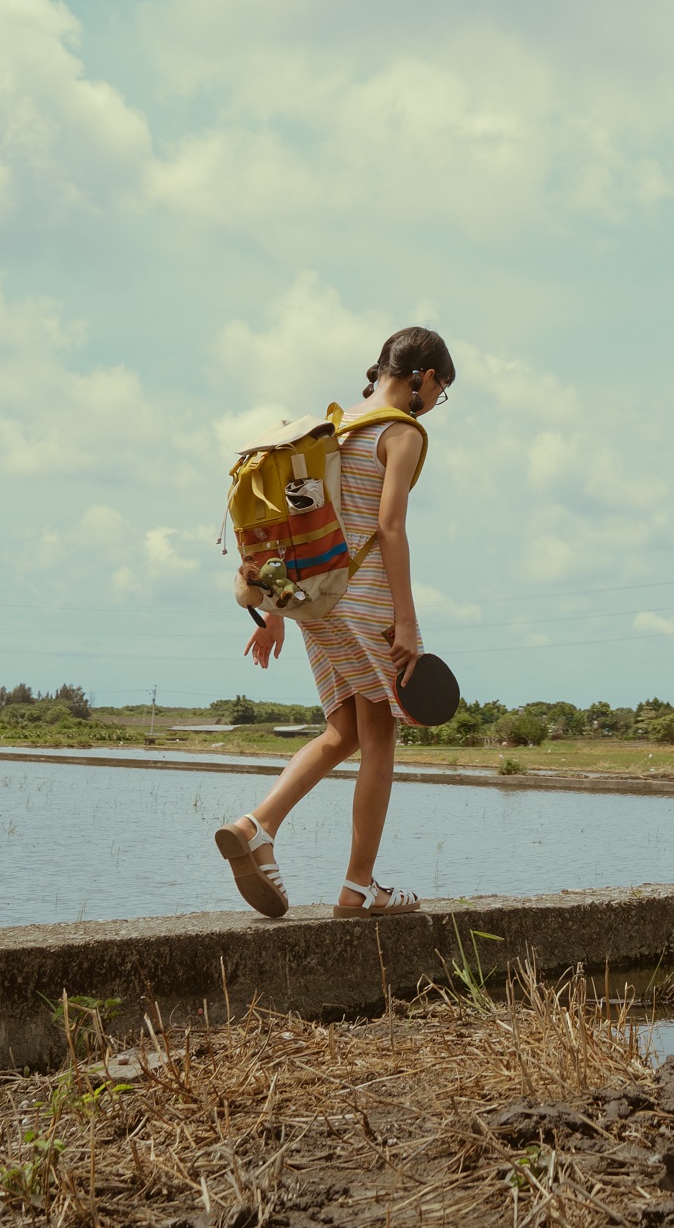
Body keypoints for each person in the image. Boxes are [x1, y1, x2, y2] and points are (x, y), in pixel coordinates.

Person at [214, 328, 454, 919]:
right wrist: (406, 623)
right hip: (368, 603)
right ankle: (359, 887)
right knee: (380, 739)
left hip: (317, 603)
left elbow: (293, 530)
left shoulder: (330, 429)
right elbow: (390, 528)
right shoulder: (401, 432)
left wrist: (274, 612)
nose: (435, 402)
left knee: (344, 730)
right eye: (440, 390)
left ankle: (256, 826)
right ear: (423, 376)